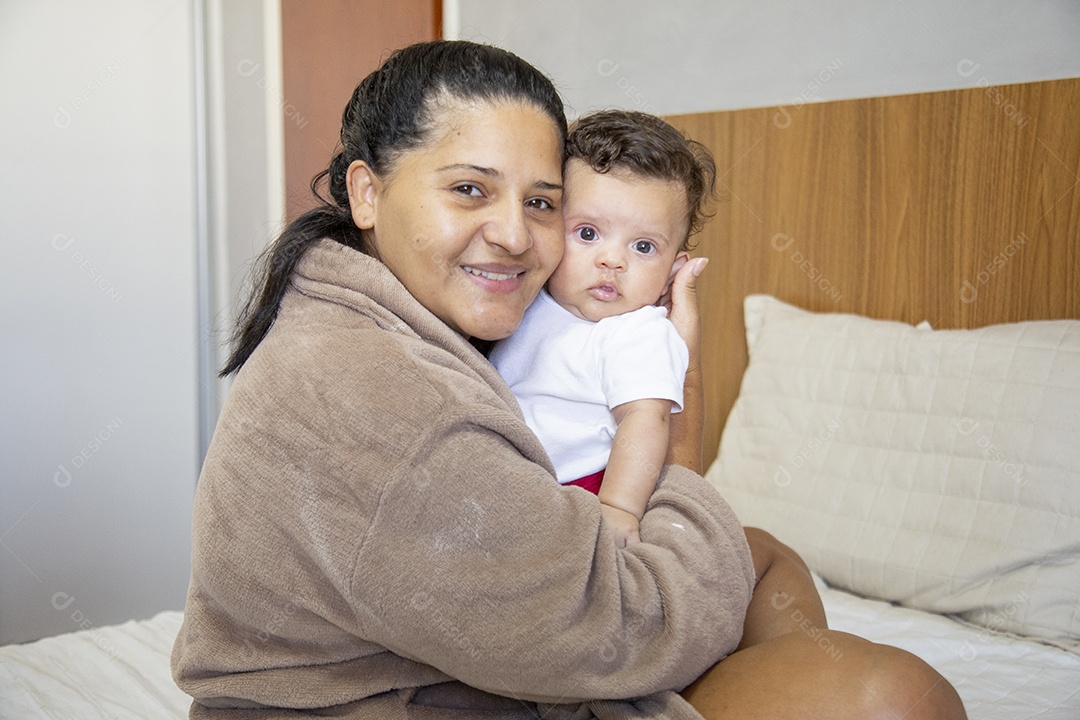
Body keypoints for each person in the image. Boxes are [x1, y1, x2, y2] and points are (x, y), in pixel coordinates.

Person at [171, 40, 967, 720]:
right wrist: (681, 412)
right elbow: (618, 628)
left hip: (457, 653)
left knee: (765, 557)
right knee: (895, 697)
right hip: (420, 695)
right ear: (367, 192)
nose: (515, 235)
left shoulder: (362, 317)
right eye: (469, 189)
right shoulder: (392, 402)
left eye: (543, 202)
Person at [491, 110, 714, 548]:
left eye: (643, 246)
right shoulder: (528, 299)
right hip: (505, 480)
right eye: (588, 233)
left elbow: (645, 419)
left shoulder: (640, 333)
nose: (612, 260)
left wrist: (619, 507)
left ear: (673, 272)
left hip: (584, 489)